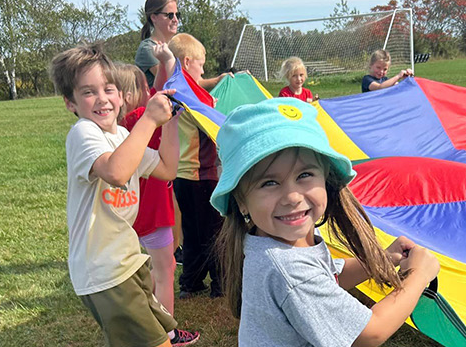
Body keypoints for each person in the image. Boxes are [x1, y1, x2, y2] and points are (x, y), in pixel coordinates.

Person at [207, 98, 440, 346]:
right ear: (241, 201)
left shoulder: (269, 242)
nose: (292, 197)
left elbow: (327, 277)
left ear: (326, 179)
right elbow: (369, 333)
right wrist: (419, 275)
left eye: (304, 175)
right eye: (269, 183)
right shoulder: (288, 268)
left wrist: (383, 259)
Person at [57, 42, 187, 347]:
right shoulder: (84, 133)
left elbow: (167, 169)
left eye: (109, 89)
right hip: (103, 271)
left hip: (128, 263)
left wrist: (171, 121)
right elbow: (115, 173)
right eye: (88, 92)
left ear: (121, 94)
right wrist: (150, 120)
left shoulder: (122, 136)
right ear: (70, 103)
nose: (102, 99)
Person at [117, 62, 198, 346]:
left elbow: (157, 91)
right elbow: (160, 97)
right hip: (153, 213)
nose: (149, 93)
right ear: (129, 95)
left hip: (134, 214)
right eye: (143, 87)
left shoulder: (122, 126)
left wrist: (165, 64)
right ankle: (169, 333)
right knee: (165, 270)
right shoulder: (143, 119)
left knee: (149, 268)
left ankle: (143, 314)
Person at [158, 32, 229, 301]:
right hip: (202, 175)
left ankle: (191, 281)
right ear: (187, 62)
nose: (204, 70)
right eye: (201, 64)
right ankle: (221, 283)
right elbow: (209, 124)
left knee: (192, 230)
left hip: (182, 176)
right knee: (214, 231)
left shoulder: (176, 87)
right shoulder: (189, 93)